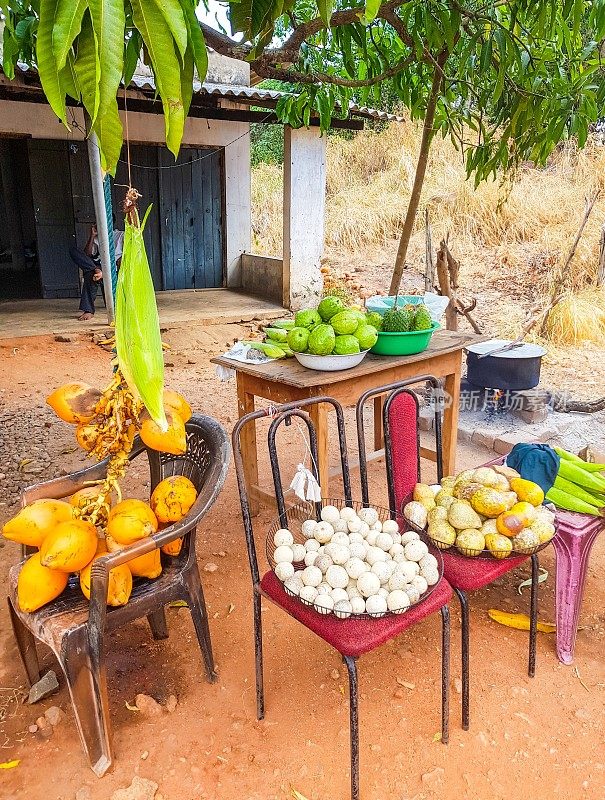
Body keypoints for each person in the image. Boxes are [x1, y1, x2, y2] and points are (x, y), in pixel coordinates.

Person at [69, 220, 124, 321]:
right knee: (74, 251)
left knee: (90, 275)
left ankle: (88, 310)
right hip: (97, 266)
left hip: (112, 269)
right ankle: (96, 270)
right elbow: (87, 255)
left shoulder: (120, 235)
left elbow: (128, 255)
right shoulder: (97, 238)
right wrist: (92, 236)